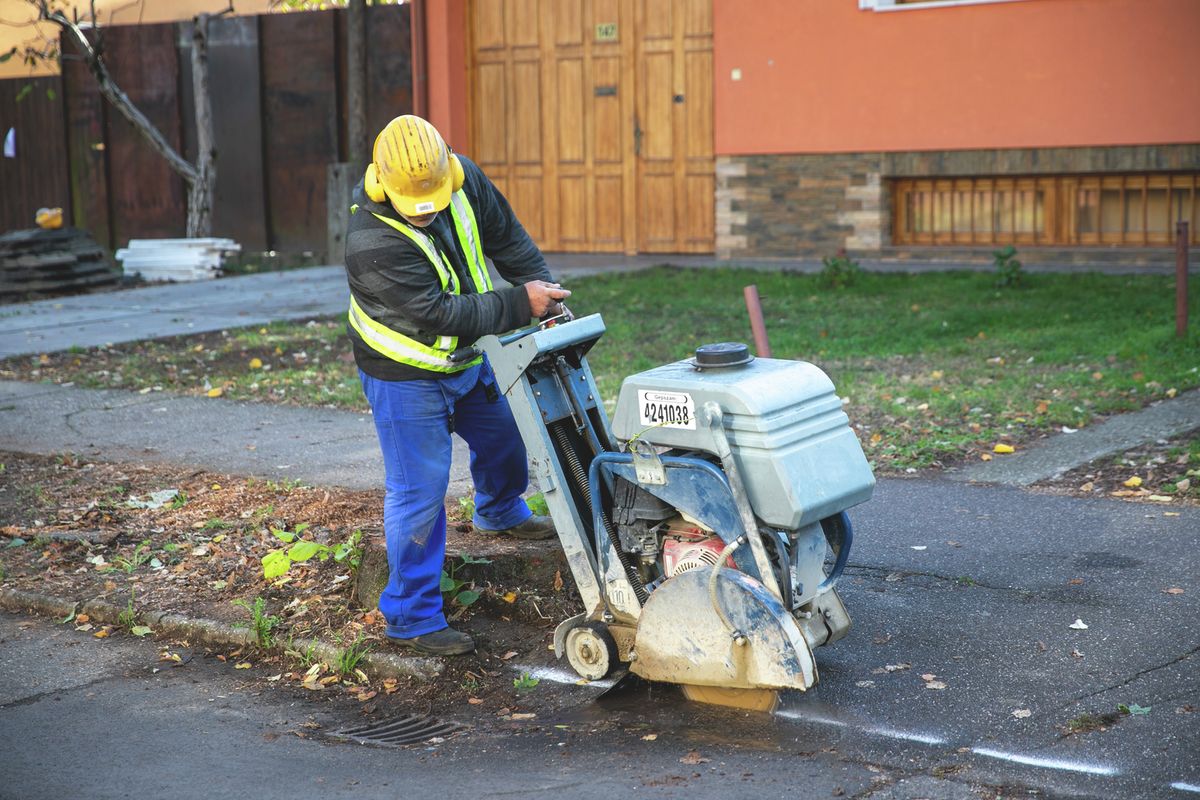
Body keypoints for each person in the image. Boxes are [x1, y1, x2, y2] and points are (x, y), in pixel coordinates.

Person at [343, 115, 570, 656]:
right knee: (419, 493)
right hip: (405, 373)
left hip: (466, 358)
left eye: (433, 198)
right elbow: (438, 312)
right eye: (413, 202)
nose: (427, 209)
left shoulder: (463, 179)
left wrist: (547, 298)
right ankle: (411, 617)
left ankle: (500, 509)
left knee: (509, 434)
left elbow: (507, 239)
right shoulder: (370, 239)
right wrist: (521, 304)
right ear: (382, 183)